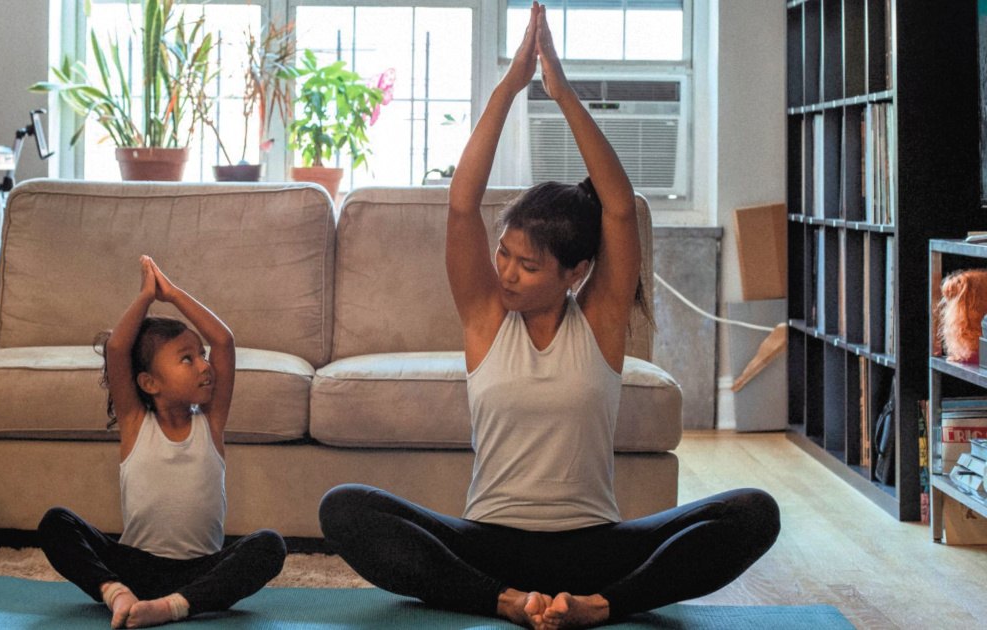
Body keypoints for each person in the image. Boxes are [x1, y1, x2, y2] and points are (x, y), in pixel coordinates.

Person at [317, 4, 780, 629]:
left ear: (575, 272)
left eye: (526, 266)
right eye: (502, 255)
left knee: (755, 510)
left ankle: (600, 608)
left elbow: (618, 210)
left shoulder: (600, 321)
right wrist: (510, 88)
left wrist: (562, 93)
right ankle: (505, 602)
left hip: (594, 549)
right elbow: (461, 206)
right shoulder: (485, 317)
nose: (505, 272)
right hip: (489, 545)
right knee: (344, 508)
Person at [38, 256, 286, 628]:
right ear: (149, 383)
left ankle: (173, 607)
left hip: (203, 571)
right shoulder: (136, 423)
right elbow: (117, 350)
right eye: (187, 359)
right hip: (135, 567)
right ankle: (117, 595)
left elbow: (224, 341)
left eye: (201, 355)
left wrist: (172, 294)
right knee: (55, 523)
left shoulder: (211, 423)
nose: (204, 365)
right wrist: (145, 298)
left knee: (270, 545)